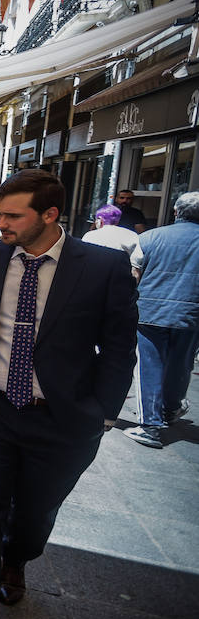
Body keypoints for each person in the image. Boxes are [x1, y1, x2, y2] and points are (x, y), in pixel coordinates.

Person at [0, 169, 136, 619]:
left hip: (61, 419)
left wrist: (102, 413)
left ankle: (18, 559)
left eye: (12, 216)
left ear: (49, 215)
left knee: (33, 515)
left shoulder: (103, 267)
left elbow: (119, 347)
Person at [125, 191, 199, 448]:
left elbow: (134, 275)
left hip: (151, 313)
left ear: (176, 212)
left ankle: (151, 426)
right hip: (192, 315)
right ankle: (170, 409)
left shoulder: (150, 237)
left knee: (149, 367)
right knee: (181, 365)